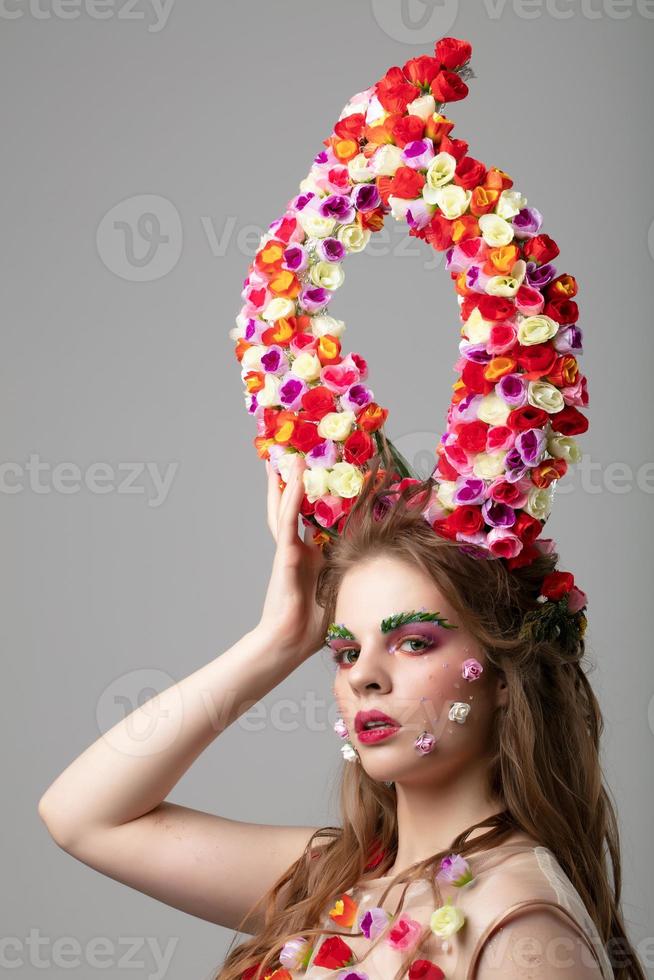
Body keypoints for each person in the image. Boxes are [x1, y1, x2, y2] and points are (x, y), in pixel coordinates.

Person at [38, 452, 643, 979]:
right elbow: (82, 817)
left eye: (414, 642)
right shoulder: (336, 877)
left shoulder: (520, 923)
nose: (363, 676)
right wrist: (275, 640)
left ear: (505, 673)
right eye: (347, 651)